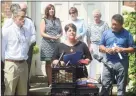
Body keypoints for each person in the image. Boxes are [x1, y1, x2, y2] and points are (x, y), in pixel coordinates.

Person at [99, 14, 135, 96]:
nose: (113, 26)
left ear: (121, 25)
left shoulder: (127, 34)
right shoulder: (106, 33)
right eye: (112, 24)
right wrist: (106, 49)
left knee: (121, 87)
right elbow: (100, 46)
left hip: (122, 63)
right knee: (105, 86)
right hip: (108, 62)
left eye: (116, 25)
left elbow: (133, 49)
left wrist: (122, 49)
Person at [2, 9, 35, 95]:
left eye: (24, 17)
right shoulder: (7, 31)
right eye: (21, 17)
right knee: (9, 92)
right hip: (11, 64)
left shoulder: (26, 31)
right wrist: (5, 62)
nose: (24, 19)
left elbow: (29, 43)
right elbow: (2, 48)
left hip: (24, 64)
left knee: (23, 92)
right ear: (15, 18)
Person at [40, 4, 63, 87]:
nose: (52, 10)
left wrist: (59, 36)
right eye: (50, 9)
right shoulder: (44, 20)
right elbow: (42, 33)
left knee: (57, 63)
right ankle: (50, 82)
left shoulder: (58, 20)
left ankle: (56, 81)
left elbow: (61, 31)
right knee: (49, 63)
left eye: (53, 9)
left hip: (57, 44)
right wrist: (51, 37)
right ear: (47, 11)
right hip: (47, 44)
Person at [86, 9, 109, 80]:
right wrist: (89, 46)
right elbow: (88, 36)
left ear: (100, 16)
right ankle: (91, 78)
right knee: (92, 62)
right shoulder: (90, 24)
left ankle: (103, 78)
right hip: (93, 44)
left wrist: (105, 47)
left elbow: (107, 36)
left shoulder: (105, 24)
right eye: (94, 16)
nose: (96, 18)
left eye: (97, 16)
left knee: (102, 61)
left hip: (102, 45)